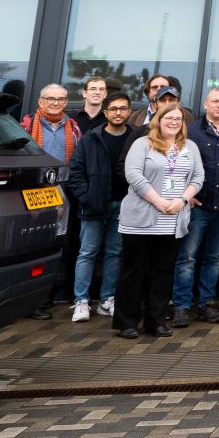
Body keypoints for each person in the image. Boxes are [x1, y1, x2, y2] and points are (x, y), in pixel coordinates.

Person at [116, 105, 202, 338]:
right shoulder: (142, 144)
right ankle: (127, 323)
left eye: (178, 119)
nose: (174, 122)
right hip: (141, 218)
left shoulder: (190, 147)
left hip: (173, 219)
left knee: (162, 272)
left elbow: (198, 177)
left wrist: (182, 200)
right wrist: (158, 201)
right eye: (169, 118)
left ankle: (155, 322)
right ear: (158, 120)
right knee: (134, 271)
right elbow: (133, 175)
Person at [173, 87, 219, 326]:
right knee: (187, 258)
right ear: (206, 104)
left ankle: (206, 305)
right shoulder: (191, 130)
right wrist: (188, 195)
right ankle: (181, 307)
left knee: (213, 258)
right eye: (215, 101)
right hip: (198, 206)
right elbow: (179, 164)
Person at [65, 92, 138, 323]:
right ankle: (81, 301)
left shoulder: (137, 137)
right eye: (114, 109)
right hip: (93, 205)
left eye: (123, 108)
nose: (118, 113)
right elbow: (75, 171)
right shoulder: (91, 138)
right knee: (87, 253)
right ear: (105, 112)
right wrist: (86, 197)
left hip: (124, 206)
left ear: (129, 112)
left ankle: (107, 300)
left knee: (115, 254)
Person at [21, 83, 85, 318]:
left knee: (57, 247)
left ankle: (46, 298)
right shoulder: (26, 126)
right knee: (33, 247)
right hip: (32, 198)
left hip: (63, 200)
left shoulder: (74, 128)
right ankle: (29, 301)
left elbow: (78, 163)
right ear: (40, 101)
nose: (55, 103)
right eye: (50, 98)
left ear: (66, 102)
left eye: (60, 99)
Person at [128, 75, 195, 127]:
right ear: (148, 92)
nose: (159, 90)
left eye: (163, 87)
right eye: (154, 87)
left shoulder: (186, 116)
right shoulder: (134, 116)